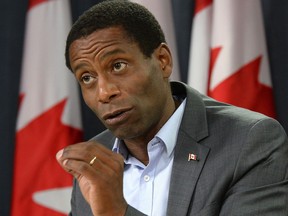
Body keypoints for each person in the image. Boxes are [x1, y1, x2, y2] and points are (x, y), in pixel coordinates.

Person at [56, 0, 288, 215]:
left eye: (118, 66)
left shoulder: (248, 142)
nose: (105, 92)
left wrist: (118, 211)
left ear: (162, 61)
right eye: (87, 78)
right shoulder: (96, 163)